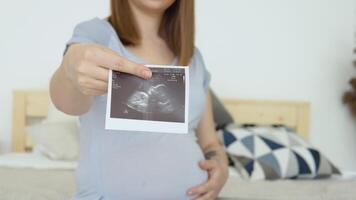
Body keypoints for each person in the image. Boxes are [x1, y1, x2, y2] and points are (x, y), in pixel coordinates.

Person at [50, 0, 228, 199]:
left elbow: (210, 143)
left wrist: (221, 165)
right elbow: (67, 103)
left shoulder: (194, 57)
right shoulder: (95, 34)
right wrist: (69, 68)